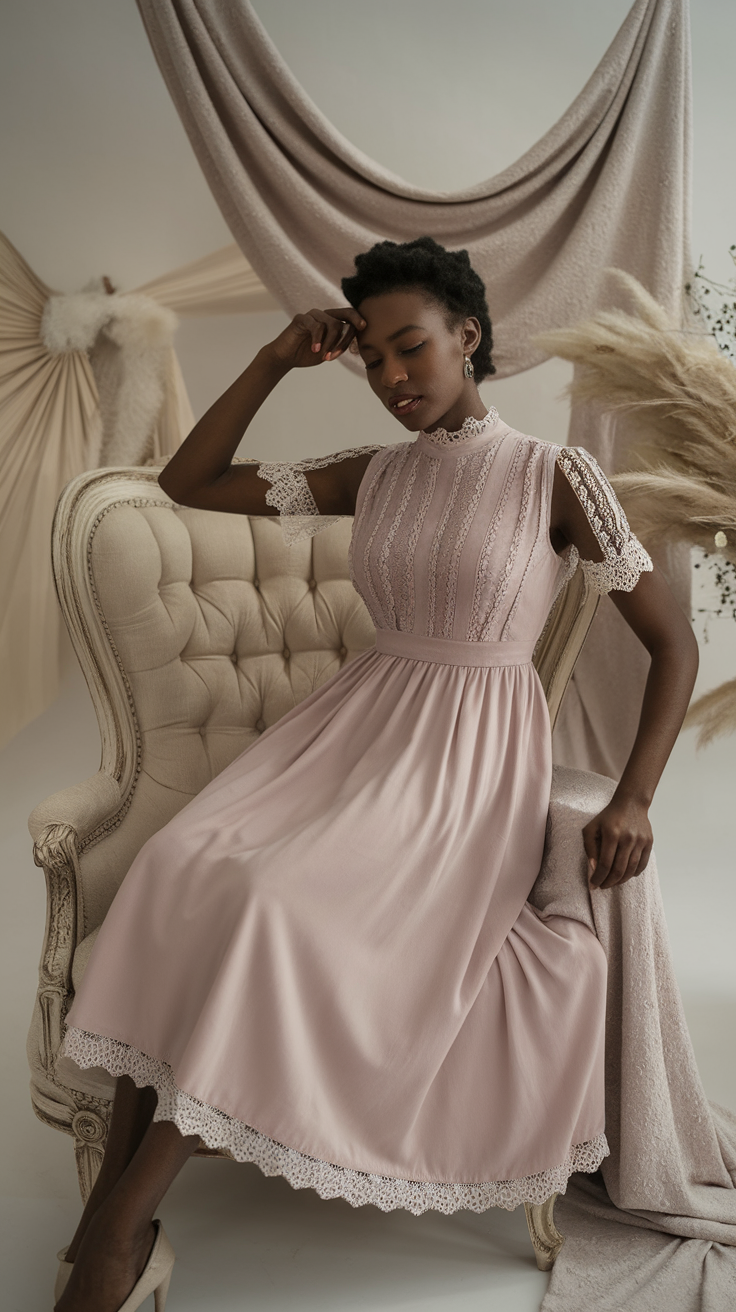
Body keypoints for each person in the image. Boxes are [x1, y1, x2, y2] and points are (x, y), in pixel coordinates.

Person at [54, 237, 698, 1312]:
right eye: (376, 361)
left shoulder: (552, 475)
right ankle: (114, 1220)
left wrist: (634, 794)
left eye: (414, 350)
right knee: (178, 866)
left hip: (466, 766)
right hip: (349, 736)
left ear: (468, 338)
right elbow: (187, 480)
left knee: (269, 903)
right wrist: (271, 360)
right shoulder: (375, 471)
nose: (396, 378)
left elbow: (673, 645)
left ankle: (114, 1232)